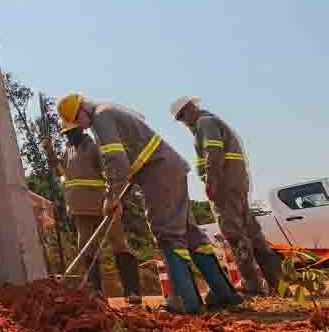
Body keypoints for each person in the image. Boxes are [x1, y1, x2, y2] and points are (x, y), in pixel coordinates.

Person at [57, 93, 242, 313]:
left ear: (81, 111)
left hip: (159, 174)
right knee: (191, 235)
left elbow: (115, 159)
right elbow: (131, 157)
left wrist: (112, 194)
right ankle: (224, 293)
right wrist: (121, 189)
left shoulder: (100, 118)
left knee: (167, 234)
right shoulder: (108, 111)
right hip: (168, 169)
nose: (81, 127)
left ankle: (184, 301)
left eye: (78, 121)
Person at [170, 96, 282, 295]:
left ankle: (252, 284)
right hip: (236, 183)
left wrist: (212, 182)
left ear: (189, 110)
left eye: (182, 117)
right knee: (252, 233)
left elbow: (213, 152)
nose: (183, 122)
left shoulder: (204, 123)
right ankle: (277, 284)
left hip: (224, 186)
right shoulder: (212, 120)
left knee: (233, 233)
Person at [42, 125, 141, 303]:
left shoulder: (94, 147)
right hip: (79, 210)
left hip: (103, 207)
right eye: (66, 134)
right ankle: (95, 292)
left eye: (72, 133)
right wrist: (50, 152)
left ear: (81, 131)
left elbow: (109, 173)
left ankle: (132, 292)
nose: (69, 136)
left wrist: (113, 197)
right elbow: (60, 172)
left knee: (118, 243)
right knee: (86, 248)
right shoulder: (68, 150)